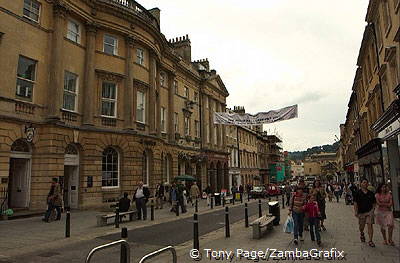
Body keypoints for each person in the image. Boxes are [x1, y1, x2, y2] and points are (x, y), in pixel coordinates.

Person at [354, 178, 376, 247]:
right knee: (361, 226)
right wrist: (356, 211)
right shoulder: (357, 193)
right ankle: (362, 233)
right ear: (361, 184)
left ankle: (370, 240)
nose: (365, 184)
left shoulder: (371, 193)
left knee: (370, 225)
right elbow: (355, 203)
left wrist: (372, 210)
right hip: (361, 212)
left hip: (369, 212)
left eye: (366, 183)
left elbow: (374, 203)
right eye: (364, 182)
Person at [288, 180, 307, 245]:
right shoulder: (294, 195)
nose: (300, 191)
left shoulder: (304, 196)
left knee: (301, 224)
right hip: (295, 211)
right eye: (299, 190)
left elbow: (305, 204)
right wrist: (290, 210)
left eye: (301, 190)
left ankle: (301, 235)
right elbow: (291, 203)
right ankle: (295, 237)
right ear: (297, 190)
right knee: (296, 224)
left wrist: (303, 207)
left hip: (301, 212)